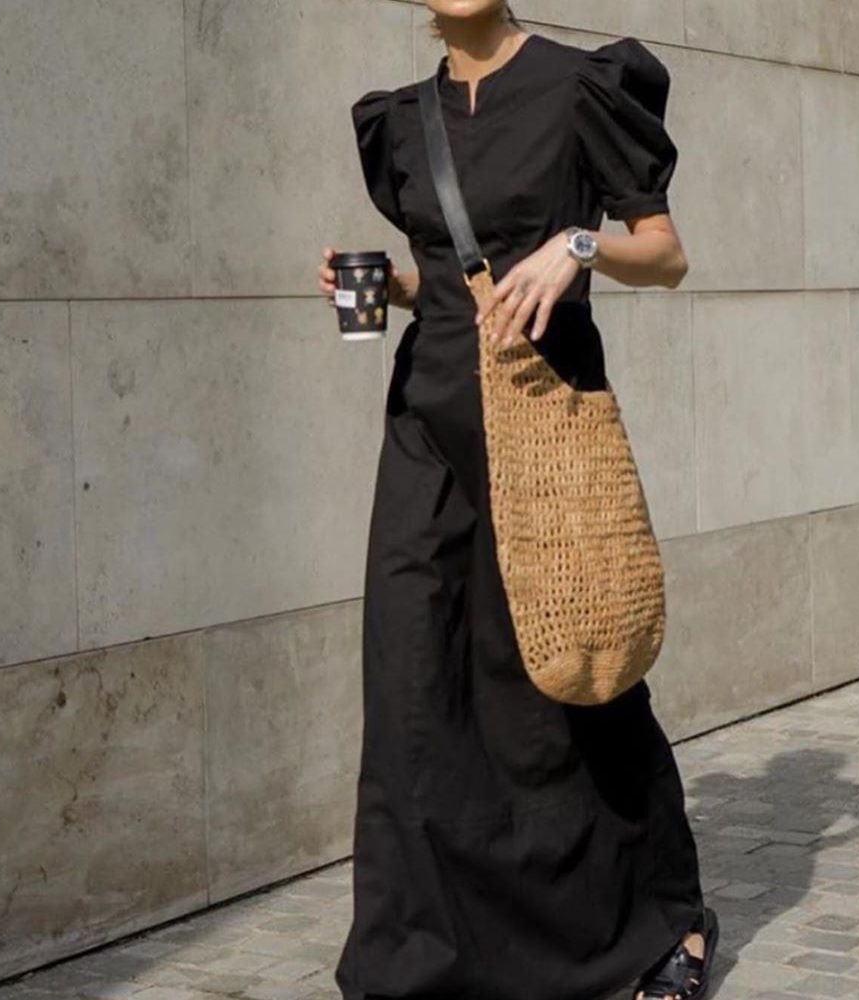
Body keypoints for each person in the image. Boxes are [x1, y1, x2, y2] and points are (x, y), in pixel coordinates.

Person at [317, 3, 719, 998]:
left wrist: (579, 247)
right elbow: (454, 283)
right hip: (427, 430)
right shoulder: (401, 118)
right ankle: (416, 958)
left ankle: (665, 918)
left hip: (545, 426)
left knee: (575, 671)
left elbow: (666, 255)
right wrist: (394, 287)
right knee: (413, 686)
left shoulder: (579, 89)